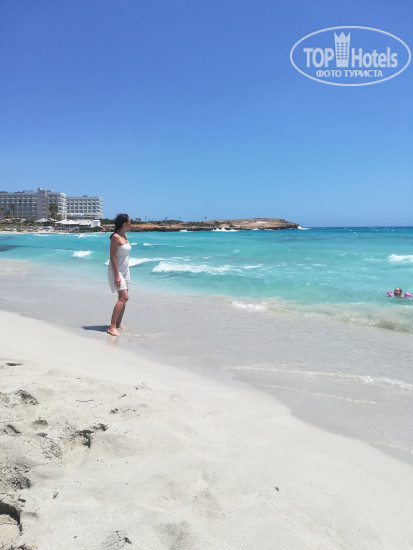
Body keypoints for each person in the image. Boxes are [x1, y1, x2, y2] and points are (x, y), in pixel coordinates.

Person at [107, 214, 132, 336]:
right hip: (116, 270)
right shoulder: (115, 237)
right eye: (129, 222)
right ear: (124, 224)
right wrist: (117, 275)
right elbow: (112, 257)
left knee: (122, 298)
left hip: (125, 270)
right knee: (124, 297)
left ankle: (118, 324)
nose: (131, 224)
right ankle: (112, 327)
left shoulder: (125, 236)